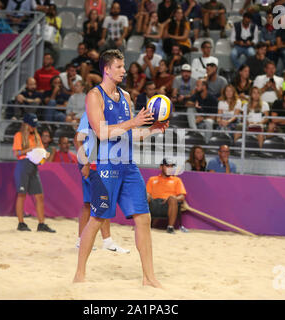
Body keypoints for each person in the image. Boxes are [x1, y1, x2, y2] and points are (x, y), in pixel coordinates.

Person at [73, 49, 168, 288]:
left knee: (143, 218)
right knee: (96, 219)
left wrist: (152, 130)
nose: (124, 71)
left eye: (124, 67)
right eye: (119, 67)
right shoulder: (94, 96)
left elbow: (131, 133)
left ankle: (149, 277)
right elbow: (102, 132)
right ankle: (79, 274)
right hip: (105, 166)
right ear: (106, 69)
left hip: (127, 165)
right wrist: (133, 122)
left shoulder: (125, 96)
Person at [74, 112, 130, 252]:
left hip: (102, 161)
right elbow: (77, 139)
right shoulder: (90, 113)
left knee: (91, 202)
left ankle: (87, 241)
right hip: (92, 161)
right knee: (101, 201)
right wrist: (86, 162)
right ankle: (103, 241)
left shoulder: (111, 114)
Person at [12, 113, 55, 232]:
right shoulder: (19, 136)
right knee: (21, 195)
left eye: (34, 125)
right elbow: (17, 154)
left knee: (39, 196)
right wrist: (29, 149)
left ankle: (41, 224)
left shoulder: (36, 136)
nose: (34, 127)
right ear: (26, 125)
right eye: (32, 125)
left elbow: (41, 156)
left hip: (34, 167)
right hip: (23, 165)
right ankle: (21, 223)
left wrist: (44, 157)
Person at [146, 158, 187, 234]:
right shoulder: (152, 179)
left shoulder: (177, 180)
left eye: (171, 167)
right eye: (167, 166)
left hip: (168, 204)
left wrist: (173, 198)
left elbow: (182, 197)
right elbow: (148, 194)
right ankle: (142, 224)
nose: (170, 168)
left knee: (172, 198)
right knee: (146, 196)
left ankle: (170, 227)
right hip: (154, 204)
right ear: (161, 167)